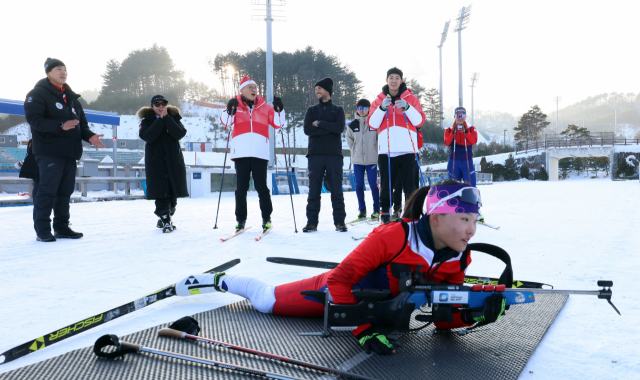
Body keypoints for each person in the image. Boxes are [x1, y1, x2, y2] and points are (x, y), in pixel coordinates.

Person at [174, 179, 506, 356]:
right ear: (436, 217)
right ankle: (222, 281)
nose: (471, 230)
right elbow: (340, 279)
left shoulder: (458, 257)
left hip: (377, 309)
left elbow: (442, 321)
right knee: (265, 300)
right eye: (464, 219)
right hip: (334, 293)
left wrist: (476, 315)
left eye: (475, 221)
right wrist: (362, 330)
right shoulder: (394, 236)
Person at [24, 58, 105, 242]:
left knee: (64, 192)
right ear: (48, 73)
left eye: (65, 69)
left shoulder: (73, 99)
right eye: (58, 69)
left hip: (70, 152)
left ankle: (61, 227)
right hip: (49, 151)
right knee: (47, 191)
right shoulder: (37, 94)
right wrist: (60, 125)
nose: (63, 72)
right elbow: (34, 120)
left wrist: (89, 136)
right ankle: (42, 229)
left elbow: (81, 125)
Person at [219, 76, 285, 233]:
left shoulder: (266, 107)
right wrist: (229, 109)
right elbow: (226, 122)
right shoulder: (235, 105)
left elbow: (279, 123)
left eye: (255, 87)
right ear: (241, 90)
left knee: (262, 187)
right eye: (250, 87)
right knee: (241, 188)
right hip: (241, 153)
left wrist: (280, 110)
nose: (254, 89)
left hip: (259, 153)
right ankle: (240, 220)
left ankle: (266, 219)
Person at [367, 67, 426, 224]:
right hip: (387, 151)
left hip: (408, 150)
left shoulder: (411, 99)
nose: (394, 80)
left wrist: (406, 107)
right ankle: (385, 214)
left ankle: (412, 215)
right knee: (386, 185)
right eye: (391, 77)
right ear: (387, 80)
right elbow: (372, 124)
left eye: (397, 78)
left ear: (401, 81)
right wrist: (382, 108)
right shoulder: (378, 100)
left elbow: (419, 120)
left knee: (411, 186)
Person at [138, 95, 189, 232]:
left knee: (173, 191)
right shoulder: (147, 120)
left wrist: (167, 119)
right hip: (156, 162)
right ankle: (165, 218)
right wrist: (160, 121)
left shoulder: (174, 117)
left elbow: (179, 133)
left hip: (174, 161)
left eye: (163, 104)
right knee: (161, 191)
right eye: (157, 104)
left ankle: (167, 215)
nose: (161, 106)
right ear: (152, 107)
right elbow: (148, 136)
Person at [302, 77, 347, 232]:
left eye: (319, 89)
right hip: (315, 155)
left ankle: (340, 222)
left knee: (336, 190)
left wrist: (320, 124)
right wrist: (330, 127)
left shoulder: (338, 110)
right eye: (315, 89)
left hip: (334, 155)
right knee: (314, 190)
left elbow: (340, 127)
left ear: (327, 90)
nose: (317, 92)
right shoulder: (311, 110)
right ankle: (311, 223)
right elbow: (308, 129)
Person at [345, 99, 379, 221]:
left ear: (369, 109)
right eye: (359, 108)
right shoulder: (352, 125)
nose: (362, 111)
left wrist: (375, 150)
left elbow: (378, 139)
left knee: (373, 184)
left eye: (364, 108)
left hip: (372, 160)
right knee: (359, 185)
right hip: (357, 161)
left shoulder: (374, 123)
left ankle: (376, 210)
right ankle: (362, 210)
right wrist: (355, 151)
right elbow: (349, 141)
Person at [392, 124, 424, 220]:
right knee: (397, 184)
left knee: (411, 185)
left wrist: (418, 130)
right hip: (397, 154)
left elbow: (419, 144)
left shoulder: (414, 124)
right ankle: (397, 209)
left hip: (411, 155)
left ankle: (410, 209)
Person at [444, 107, 478, 186]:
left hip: (467, 163)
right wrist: (453, 132)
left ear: (465, 117)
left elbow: (473, 141)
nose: (460, 118)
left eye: (462, 115)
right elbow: (447, 143)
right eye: (458, 115)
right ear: (454, 116)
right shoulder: (448, 130)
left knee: (471, 187)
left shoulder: (471, 129)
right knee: (453, 189)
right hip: (454, 162)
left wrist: (466, 131)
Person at [17, 139, 40, 232]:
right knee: (39, 194)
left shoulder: (33, 141)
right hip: (38, 169)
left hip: (37, 169)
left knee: (38, 193)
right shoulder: (36, 141)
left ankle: (40, 226)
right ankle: (40, 227)